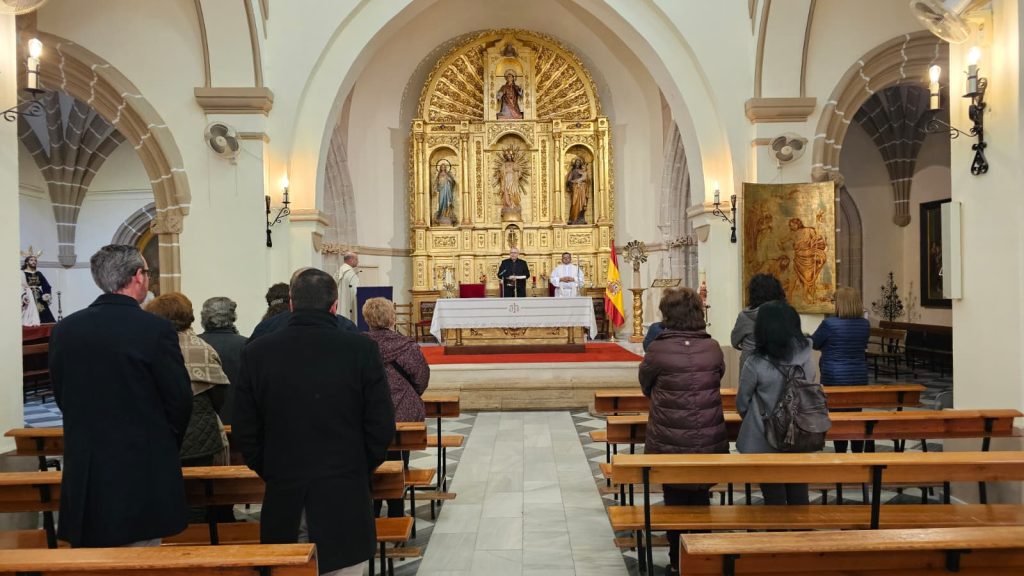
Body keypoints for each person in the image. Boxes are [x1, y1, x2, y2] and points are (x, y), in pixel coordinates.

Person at [233, 268, 395, 576]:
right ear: (334, 306)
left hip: (285, 491)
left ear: (292, 303)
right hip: (345, 493)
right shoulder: (360, 349)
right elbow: (381, 425)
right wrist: (357, 467)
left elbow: (245, 429)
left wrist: (272, 468)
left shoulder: (258, 352)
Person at [48, 244, 192, 547]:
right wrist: (164, 444)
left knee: (92, 554)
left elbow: (61, 395)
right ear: (138, 276)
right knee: (141, 554)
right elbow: (178, 399)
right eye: (148, 273)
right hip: (142, 465)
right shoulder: (155, 329)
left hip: (88, 466)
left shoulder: (66, 329)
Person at [640, 288, 727, 576]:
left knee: (675, 501)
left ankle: (678, 561)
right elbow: (717, 376)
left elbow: (645, 385)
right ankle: (703, 558)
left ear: (667, 316)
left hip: (670, 440)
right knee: (701, 497)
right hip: (708, 438)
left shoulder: (657, 349)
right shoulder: (712, 347)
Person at [736, 300, 815, 505]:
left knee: (774, 496)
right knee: (799, 491)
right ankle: (800, 524)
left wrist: (755, 418)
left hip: (764, 435)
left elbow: (743, 402)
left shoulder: (755, 362)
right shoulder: (806, 356)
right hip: (798, 431)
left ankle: (776, 524)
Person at [362, 297, 430, 519]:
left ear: (366, 318)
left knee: (371, 463)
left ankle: (371, 513)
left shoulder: (358, 346)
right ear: (392, 318)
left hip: (369, 416)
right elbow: (421, 377)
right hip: (403, 414)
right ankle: (396, 512)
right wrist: (408, 395)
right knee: (399, 461)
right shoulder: (407, 347)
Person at [145, 293, 230, 468]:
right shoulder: (204, 349)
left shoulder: (148, 348)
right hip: (202, 437)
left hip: (160, 435)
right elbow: (219, 395)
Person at [812, 286, 870, 453]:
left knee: (838, 418)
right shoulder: (865, 324)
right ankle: (857, 453)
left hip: (834, 376)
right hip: (858, 376)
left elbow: (815, 343)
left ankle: (841, 454)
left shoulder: (829, 324)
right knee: (856, 416)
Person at [199, 296, 248, 425]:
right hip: (239, 420)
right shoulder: (247, 345)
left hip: (204, 423)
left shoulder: (195, 345)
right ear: (232, 317)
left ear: (204, 318)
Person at [731, 273, 787, 373]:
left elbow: (734, 341)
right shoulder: (785, 314)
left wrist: (746, 345)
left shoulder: (745, 316)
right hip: (777, 367)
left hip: (749, 367)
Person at [780, 217, 828, 303]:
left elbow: (817, 239)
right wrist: (784, 249)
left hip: (809, 257)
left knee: (808, 278)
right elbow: (781, 241)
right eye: (790, 226)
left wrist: (817, 239)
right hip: (798, 257)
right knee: (793, 277)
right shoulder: (791, 234)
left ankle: (805, 296)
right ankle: (789, 296)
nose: (791, 227)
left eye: (792, 225)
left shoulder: (809, 230)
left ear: (798, 223)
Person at [22, 250, 55, 323]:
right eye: (31, 260)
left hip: (39, 296)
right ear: (26, 262)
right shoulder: (22, 273)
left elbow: (46, 284)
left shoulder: (38, 273)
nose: (34, 262)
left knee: (44, 314)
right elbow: (20, 286)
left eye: (35, 260)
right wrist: (24, 295)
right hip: (28, 296)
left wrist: (46, 293)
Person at [336, 251, 360, 324]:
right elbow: (356, 292)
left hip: (339, 306)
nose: (358, 261)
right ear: (351, 260)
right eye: (356, 259)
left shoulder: (338, 272)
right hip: (350, 306)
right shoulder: (351, 274)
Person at [565, 157, 590, 225]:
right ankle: (573, 219)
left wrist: (584, 180)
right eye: (576, 162)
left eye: (579, 162)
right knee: (574, 203)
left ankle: (581, 218)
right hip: (575, 189)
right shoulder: (573, 171)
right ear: (575, 163)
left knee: (582, 203)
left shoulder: (583, 171)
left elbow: (587, 180)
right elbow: (568, 181)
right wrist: (574, 182)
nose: (577, 163)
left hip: (582, 189)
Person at [433, 160, 457, 225]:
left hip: (447, 191)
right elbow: (436, 183)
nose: (443, 168)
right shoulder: (438, 175)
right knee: (441, 203)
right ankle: (441, 215)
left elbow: (453, 182)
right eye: (442, 167)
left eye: (444, 167)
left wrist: (448, 179)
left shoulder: (448, 174)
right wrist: (435, 188)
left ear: (445, 168)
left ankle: (447, 215)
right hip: (441, 191)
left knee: (447, 202)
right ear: (440, 168)